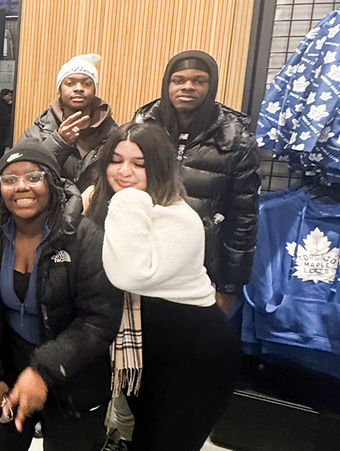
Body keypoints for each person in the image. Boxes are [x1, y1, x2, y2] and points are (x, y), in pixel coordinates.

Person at [87, 121, 240, 451]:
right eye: (116, 160)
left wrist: (127, 199)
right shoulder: (119, 209)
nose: (124, 171)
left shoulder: (177, 216)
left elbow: (130, 274)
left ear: (159, 167)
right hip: (146, 357)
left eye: (139, 163)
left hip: (194, 360)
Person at [0, 143, 122, 451]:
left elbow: (99, 319)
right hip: (10, 371)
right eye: (10, 179)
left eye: (34, 177)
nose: (21, 186)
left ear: (52, 182)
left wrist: (43, 371)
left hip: (73, 372)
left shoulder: (85, 237)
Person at [133, 50, 260, 313]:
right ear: (167, 84)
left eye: (198, 81)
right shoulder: (142, 128)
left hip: (202, 267)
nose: (188, 86)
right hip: (144, 259)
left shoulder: (236, 140)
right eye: (179, 80)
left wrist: (229, 287)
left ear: (211, 86)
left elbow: (243, 220)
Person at [18, 54, 116, 192]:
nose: (79, 88)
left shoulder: (113, 134)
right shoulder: (35, 134)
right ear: (59, 90)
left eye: (87, 83)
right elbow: (21, 176)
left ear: (94, 90)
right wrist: (59, 142)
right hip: (53, 205)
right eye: (70, 83)